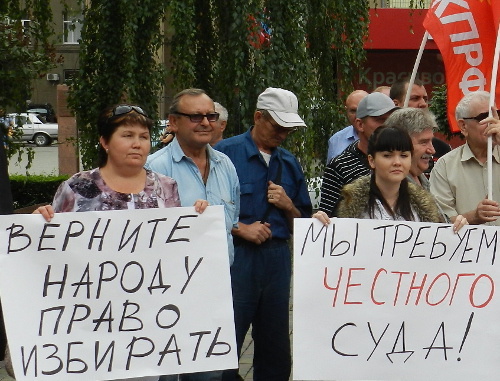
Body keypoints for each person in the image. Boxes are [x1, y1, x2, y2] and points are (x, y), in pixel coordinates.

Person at [34, 104, 208, 381]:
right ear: (104, 142)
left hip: (148, 324)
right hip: (89, 323)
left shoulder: (166, 187)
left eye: (143, 136)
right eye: (127, 135)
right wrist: (38, 222)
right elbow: (50, 249)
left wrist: (198, 220)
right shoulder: (77, 186)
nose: (137, 144)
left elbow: (176, 251)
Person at [215, 87, 312, 381]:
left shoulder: (289, 163)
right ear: (258, 117)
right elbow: (202, 211)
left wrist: (287, 206)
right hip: (236, 258)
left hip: (278, 258)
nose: (283, 134)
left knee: (275, 344)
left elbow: (304, 225)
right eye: (277, 126)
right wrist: (239, 228)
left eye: (288, 129)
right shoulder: (223, 155)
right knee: (226, 339)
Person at [146, 89, 239, 268]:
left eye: (211, 116)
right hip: (174, 282)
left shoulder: (226, 165)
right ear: (173, 122)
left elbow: (232, 224)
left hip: (221, 282)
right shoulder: (154, 168)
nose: (205, 123)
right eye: (196, 117)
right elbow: (148, 236)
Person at [314, 126, 467, 232]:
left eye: (404, 155)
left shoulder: (425, 206)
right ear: (371, 160)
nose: (397, 162)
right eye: (387, 155)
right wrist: (320, 224)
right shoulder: (349, 203)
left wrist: (458, 227)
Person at [319, 92, 399, 216]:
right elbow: (326, 216)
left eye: (391, 119)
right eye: (380, 120)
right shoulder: (339, 166)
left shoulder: (402, 162)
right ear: (360, 124)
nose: (387, 126)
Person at [430, 91, 500, 226]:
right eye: (484, 117)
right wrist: (473, 217)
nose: (493, 123)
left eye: (497, 115)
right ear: (463, 126)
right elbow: (439, 222)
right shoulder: (445, 166)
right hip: (469, 246)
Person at [326, 89, 368, 163]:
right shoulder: (336, 140)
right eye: (353, 111)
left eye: (362, 109)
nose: (358, 115)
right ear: (346, 111)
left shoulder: (382, 137)